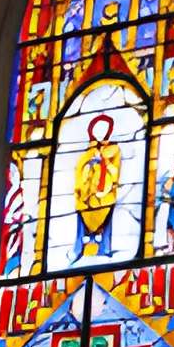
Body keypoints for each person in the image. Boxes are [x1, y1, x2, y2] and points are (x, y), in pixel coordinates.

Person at [73, 111, 122, 259]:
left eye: (103, 130)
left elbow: (115, 173)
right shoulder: (87, 154)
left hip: (105, 196)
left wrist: (105, 163)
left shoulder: (114, 151)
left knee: (106, 220)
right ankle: (78, 248)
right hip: (87, 197)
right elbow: (79, 173)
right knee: (82, 219)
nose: (100, 134)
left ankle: (105, 247)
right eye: (97, 130)